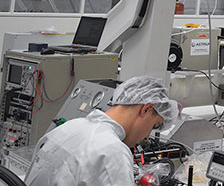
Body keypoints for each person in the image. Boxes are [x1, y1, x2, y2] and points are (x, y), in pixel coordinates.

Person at [26, 75, 179, 186]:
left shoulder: (67, 128)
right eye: (154, 126)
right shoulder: (113, 151)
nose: (147, 137)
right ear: (146, 109)